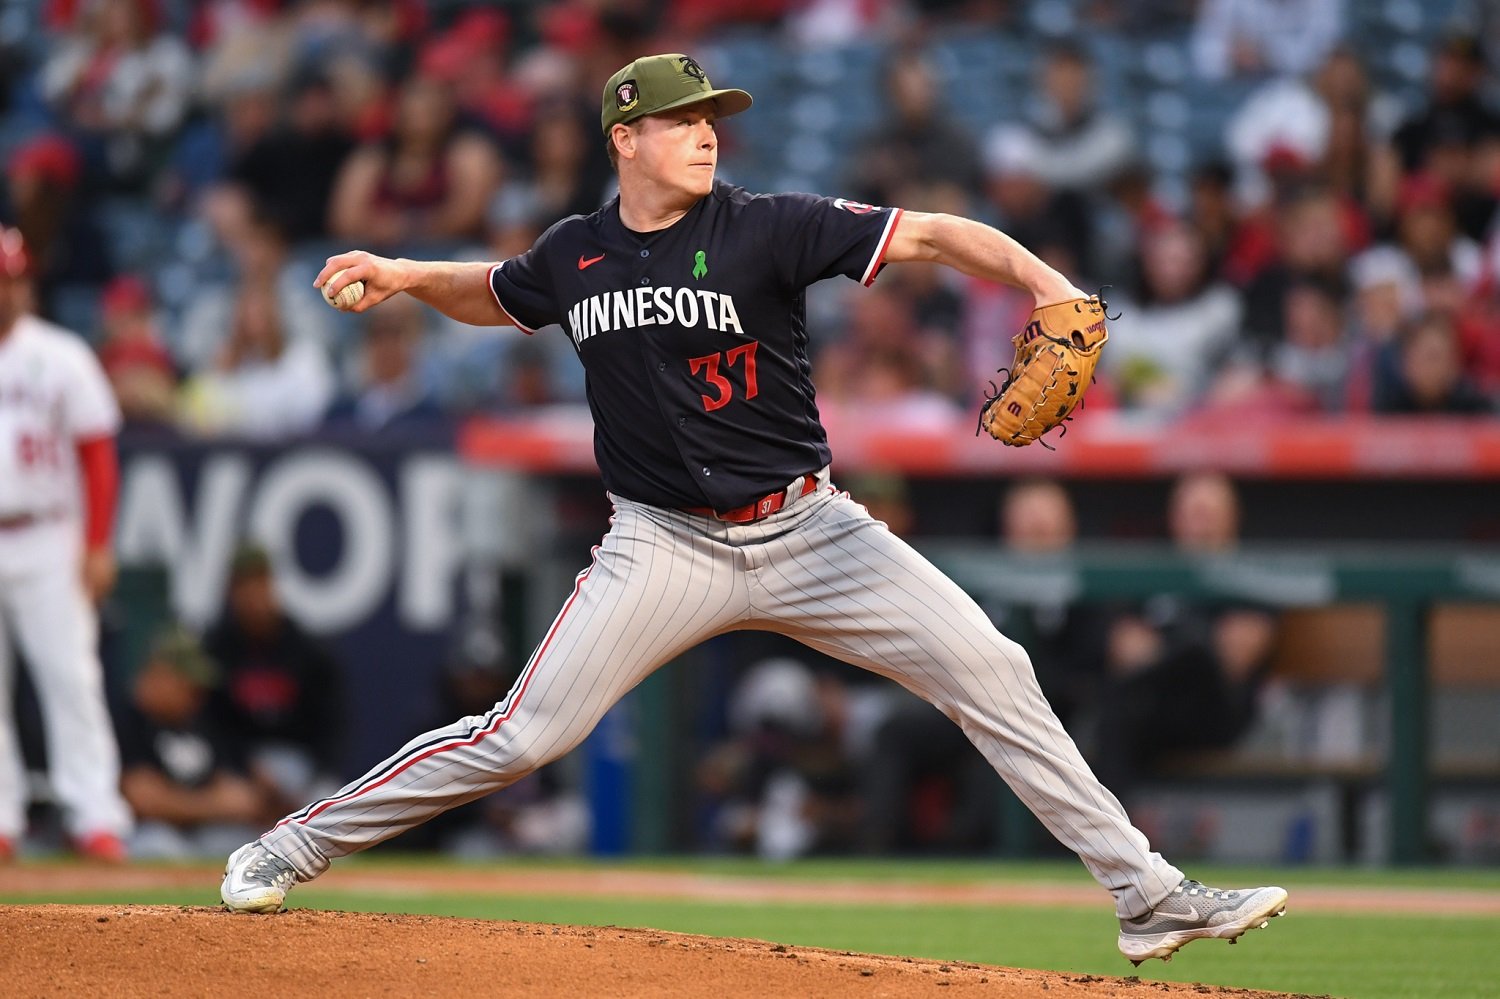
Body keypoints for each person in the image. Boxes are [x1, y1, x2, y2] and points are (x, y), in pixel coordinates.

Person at [221, 53, 1288, 966]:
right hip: (662, 543)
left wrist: (1047, 282)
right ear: (624, 139)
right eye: (681, 121)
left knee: (993, 668)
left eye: (712, 119)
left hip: (812, 531)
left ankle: (1145, 895)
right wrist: (408, 275)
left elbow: (929, 236)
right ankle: (294, 844)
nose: (706, 135)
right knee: (522, 737)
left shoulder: (770, 228)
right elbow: (502, 295)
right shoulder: (574, 252)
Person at [0, 226, 133, 863]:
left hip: (50, 530)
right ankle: (2, 821)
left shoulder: (59, 355)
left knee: (70, 675)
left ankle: (95, 815)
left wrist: (98, 541)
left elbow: (98, 454)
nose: (11, 290)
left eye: (16, 278)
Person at [1090, 473, 1282, 801]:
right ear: (1174, 518)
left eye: (1210, 513)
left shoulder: (1253, 576)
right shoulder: (1152, 571)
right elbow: (1124, 646)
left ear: (1233, 518)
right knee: (1114, 712)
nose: (1201, 523)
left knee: (1196, 657)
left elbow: (1232, 658)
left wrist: (1166, 649)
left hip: (1214, 713)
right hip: (1152, 709)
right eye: (1193, 513)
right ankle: (1105, 840)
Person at [204, 544, 346, 817]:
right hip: (240, 774)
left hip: (303, 769)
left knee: (331, 814)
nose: (253, 596)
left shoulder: (307, 649)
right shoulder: (215, 650)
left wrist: (311, 779)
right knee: (217, 837)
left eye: (259, 583)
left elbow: (332, 728)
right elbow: (210, 727)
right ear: (230, 591)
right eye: (244, 586)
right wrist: (245, 767)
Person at [118, 627, 270, 860]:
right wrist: (212, 805)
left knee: (248, 847)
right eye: (188, 685)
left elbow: (244, 799)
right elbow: (144, 801)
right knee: (158, 845)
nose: (197, 695)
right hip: (143, 833)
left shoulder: (203, 721)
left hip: (204, 834)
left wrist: (177, 803)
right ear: (159, 676)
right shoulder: (126, 720)